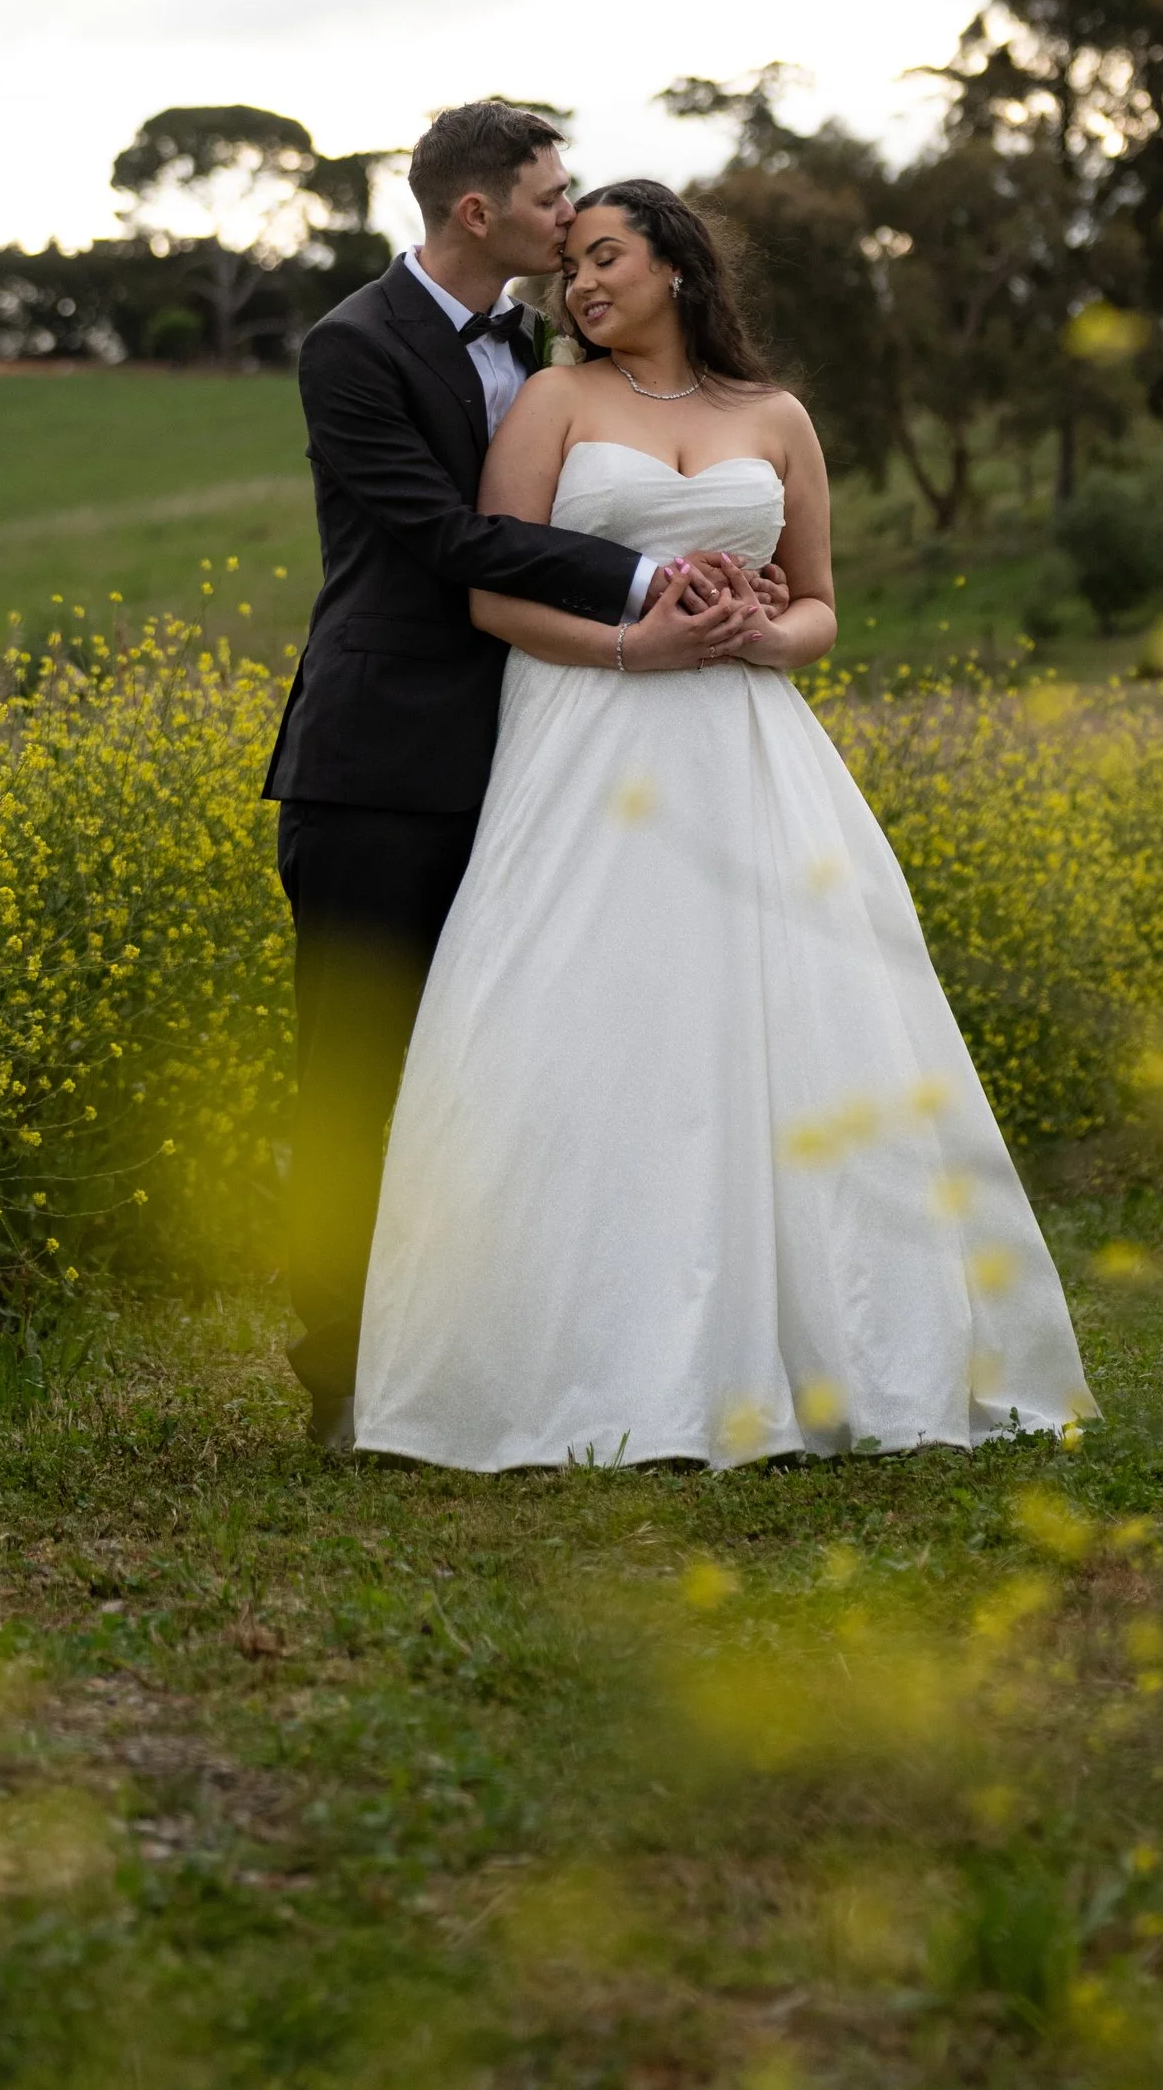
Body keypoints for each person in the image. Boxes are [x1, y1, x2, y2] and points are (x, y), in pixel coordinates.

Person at [352, 177, 1093, 1470]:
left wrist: (761, 635)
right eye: (572, 266)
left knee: (783, 1019)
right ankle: (578, 1362)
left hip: (747, 746)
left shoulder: (779, 417)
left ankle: (826, 1354)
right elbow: (490, 594)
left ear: (679, 269)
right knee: (584, 1017)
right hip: (588, 730)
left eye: (606, 259)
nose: (582, 286)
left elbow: (819, 605)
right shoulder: (553, 402)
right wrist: (635, 647)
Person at [264, 102, 776, 1446]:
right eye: (553, 199)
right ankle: (337, 1376)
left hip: (539, 761)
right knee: (359, 1070)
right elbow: (443, 539)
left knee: (505, 1072)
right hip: (379, 766)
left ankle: (491, 1346)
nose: (571, 218)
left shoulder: (553, 355)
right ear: (478, 212)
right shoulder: (353, 347)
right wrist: (653, 577)